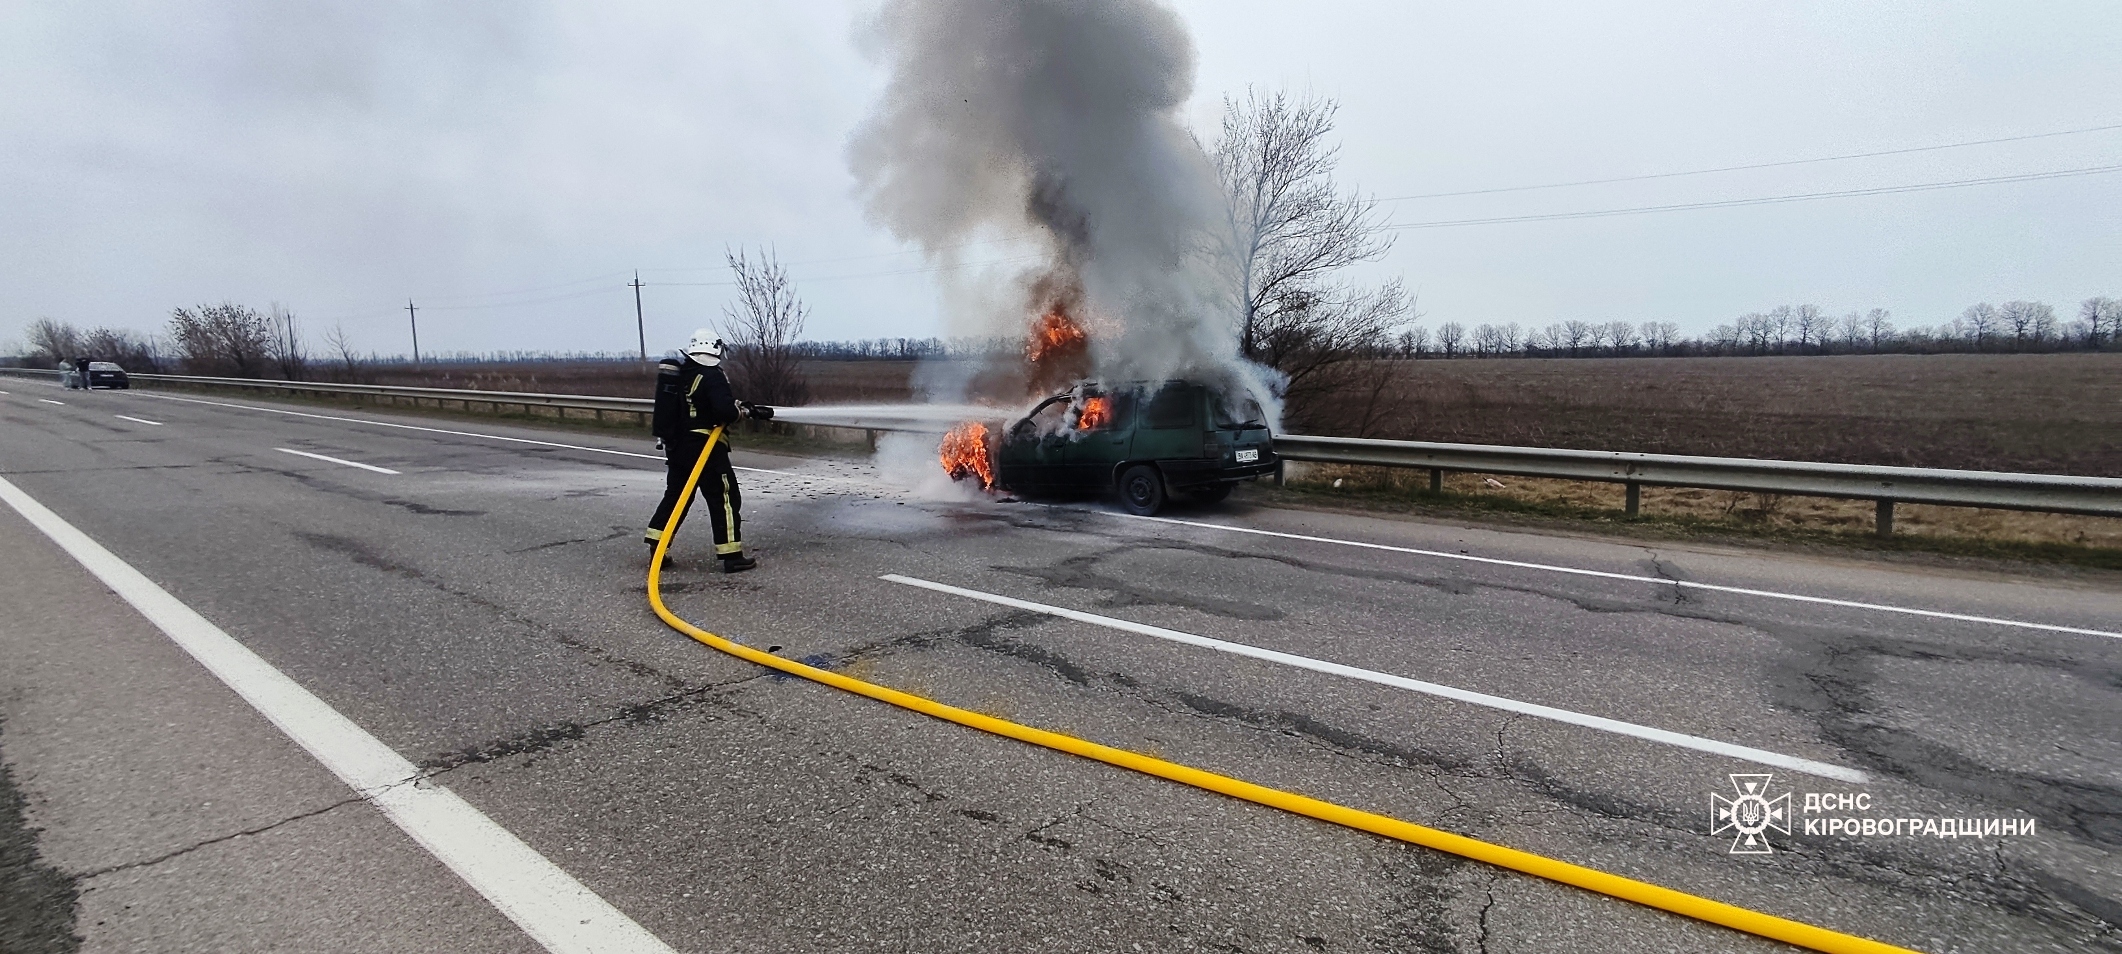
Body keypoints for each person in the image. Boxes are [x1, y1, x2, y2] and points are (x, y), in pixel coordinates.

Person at [644, 330, 770, 572]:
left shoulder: (683, 373)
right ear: (716, 349)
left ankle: (657, 547)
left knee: (677, 496)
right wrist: (739, 413)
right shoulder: (712, 374)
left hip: (677, 447)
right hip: (705, 448)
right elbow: (723, 411)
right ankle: (731, 555)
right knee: (724, 497)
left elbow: (697, 405)